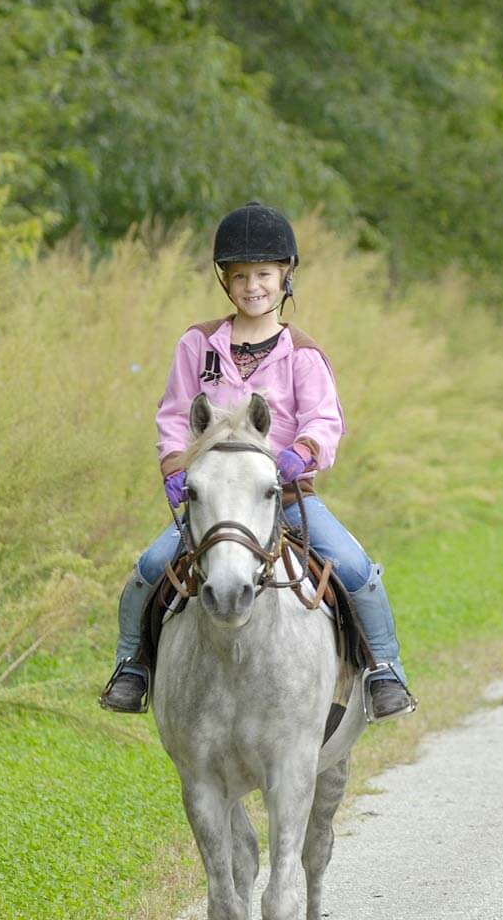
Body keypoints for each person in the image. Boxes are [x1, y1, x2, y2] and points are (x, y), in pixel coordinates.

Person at [98, 201, 414, 719]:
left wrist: (302, 454)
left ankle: (385, 670)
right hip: (215, 502)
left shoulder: (302, 352)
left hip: (284, 498)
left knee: (356, 570)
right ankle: (131, 666)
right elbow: (175, 413)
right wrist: (175, 468)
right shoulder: (198, 344)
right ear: (225, 280)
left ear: (285, 275)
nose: (252, 287)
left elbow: (324, 420)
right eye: (240, 275)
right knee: (150, 569)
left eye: (264, 274)